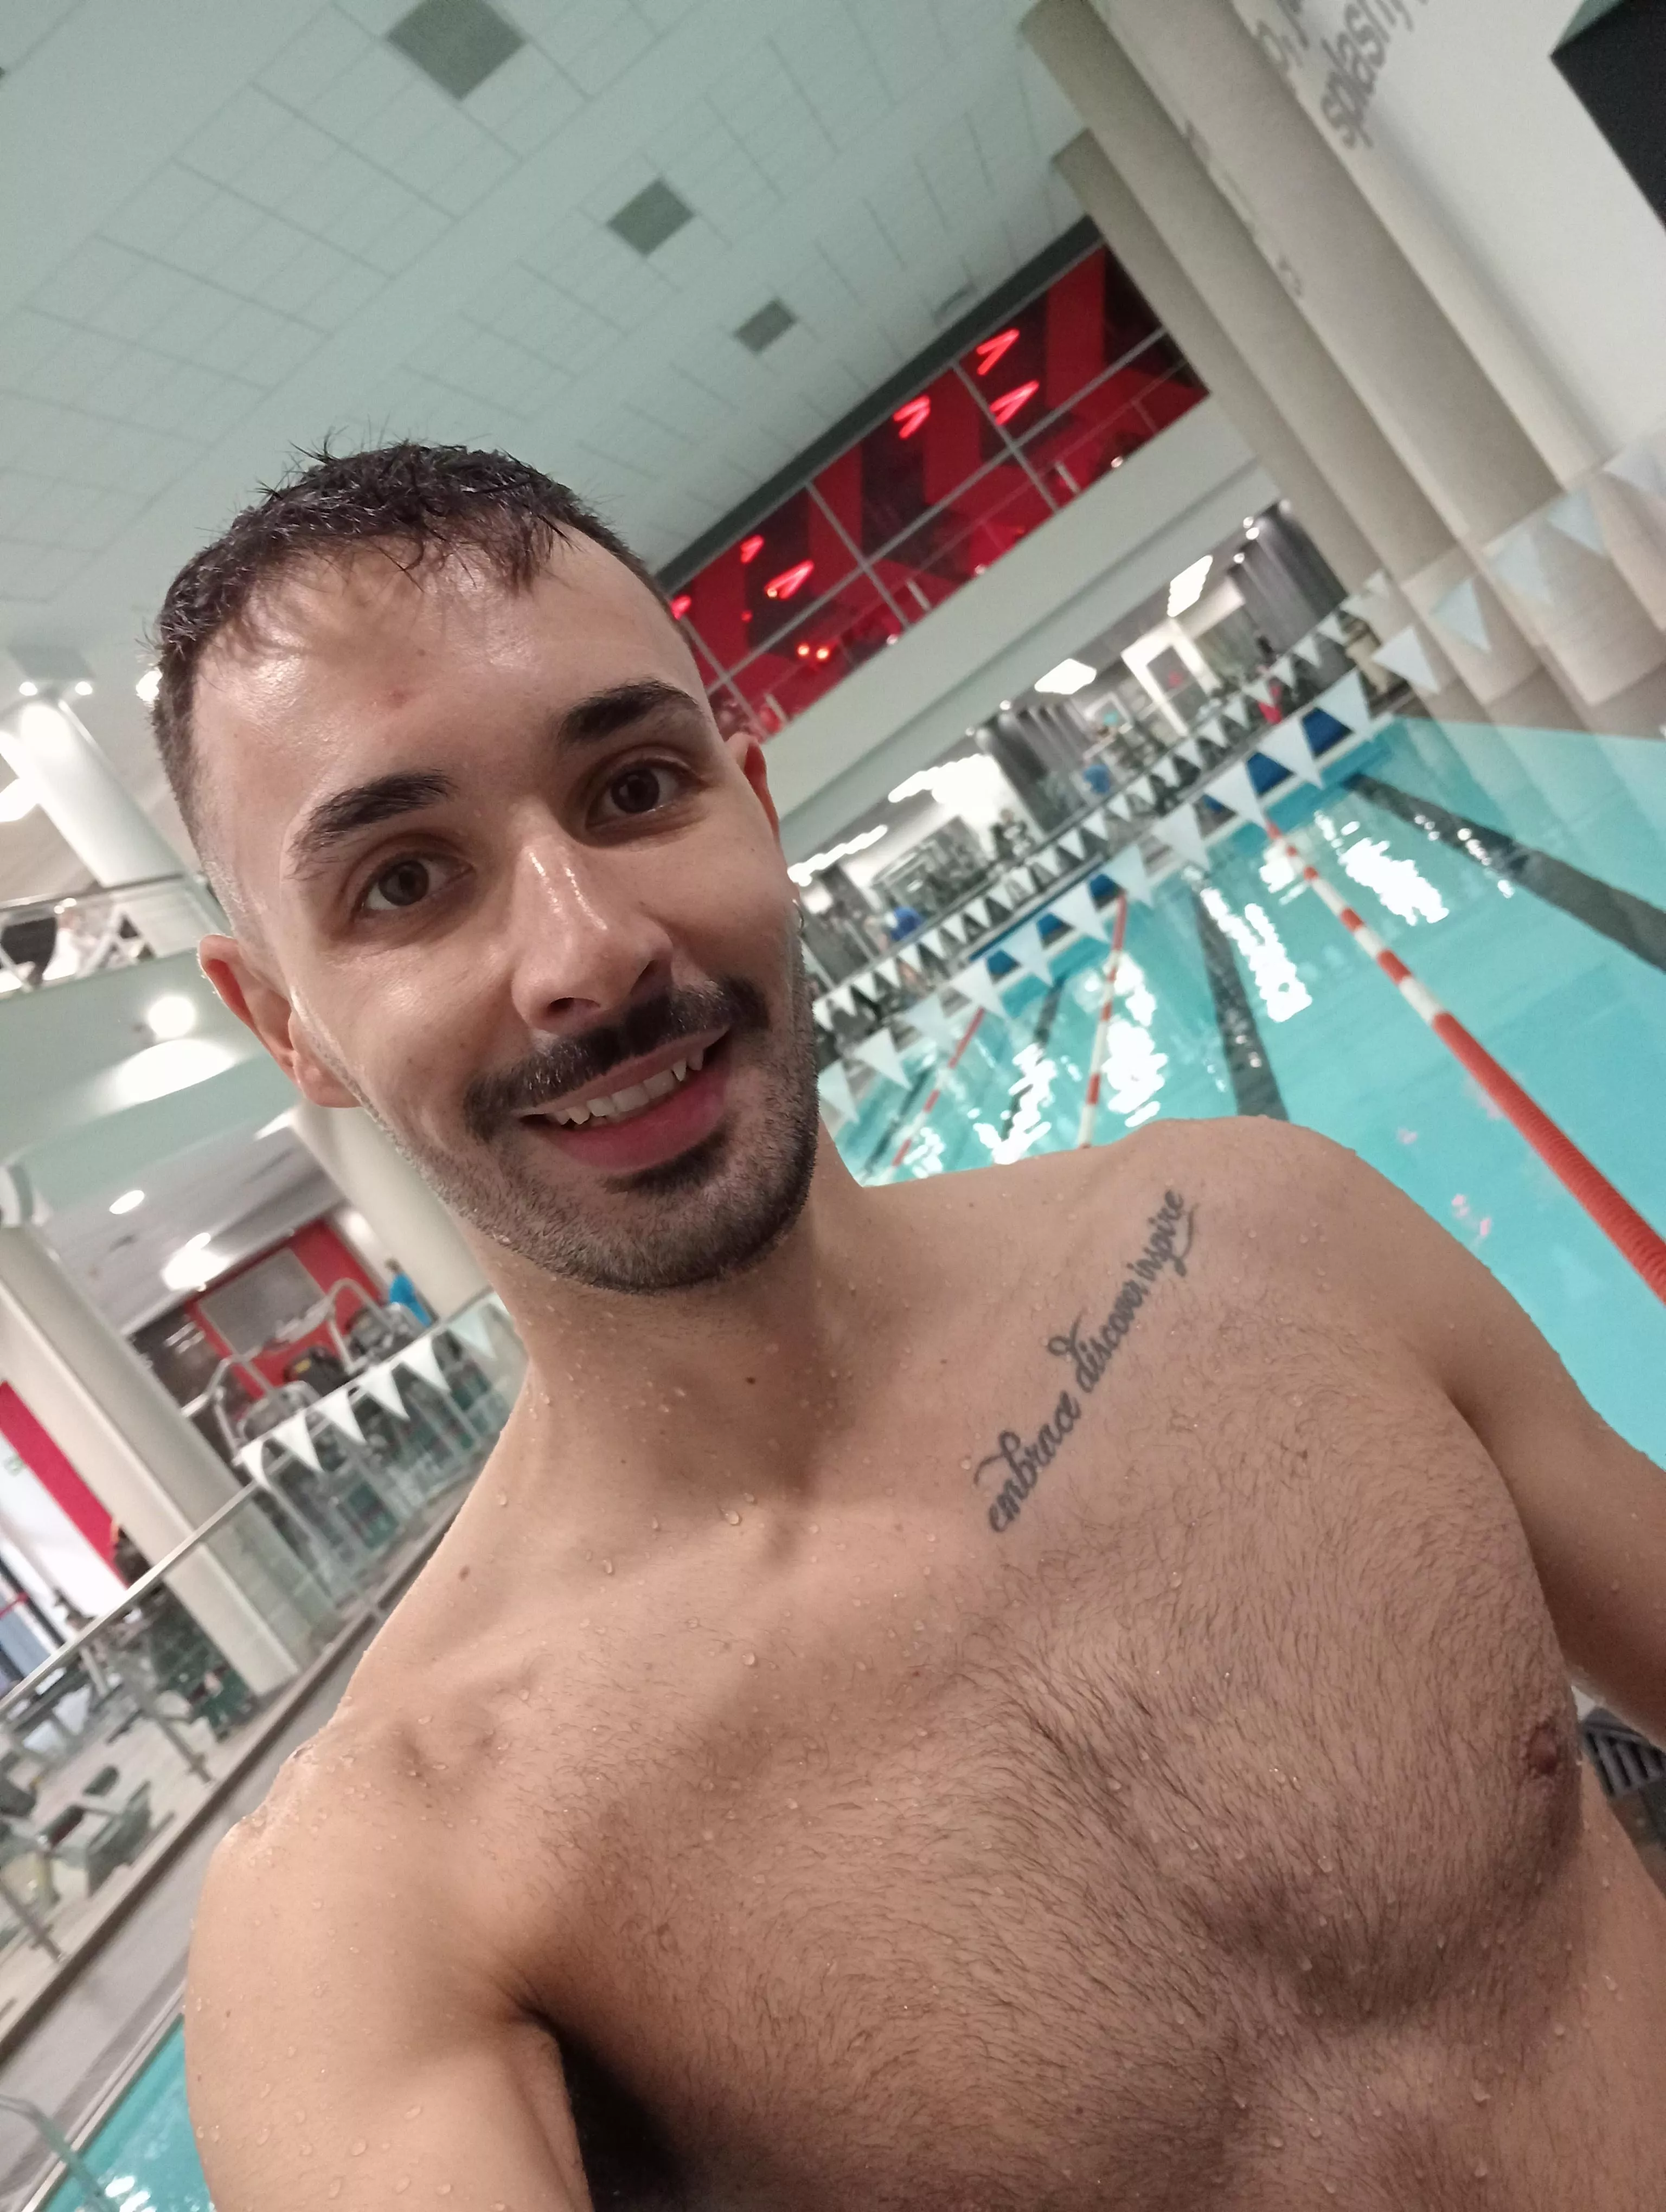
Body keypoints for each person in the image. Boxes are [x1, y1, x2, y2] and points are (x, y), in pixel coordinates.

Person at [163, 444, 1666, 2211]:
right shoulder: (391, 1882)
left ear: (758, 802)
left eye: (637, 786)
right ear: (286, 1021)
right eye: (405, 883)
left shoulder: (1274, 1240)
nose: (588, 950)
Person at [382, 1257, 432, 1326]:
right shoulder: (402, 1280)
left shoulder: (397, 1284)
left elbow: (396, 1305)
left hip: (415, 1316)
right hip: (418, 1314)